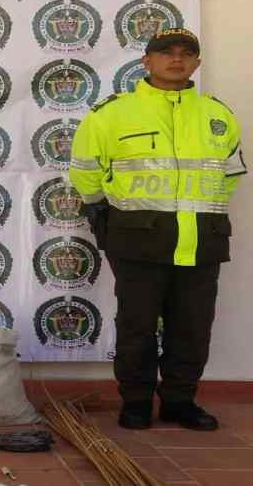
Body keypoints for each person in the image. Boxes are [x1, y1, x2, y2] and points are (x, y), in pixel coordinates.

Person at [69, 28, 245, 431]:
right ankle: (135, 401)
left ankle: (180, 401)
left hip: (202, 237)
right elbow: (84, 171)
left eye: (186, 53)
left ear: (197, 63)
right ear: (146, 61)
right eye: (166, 52)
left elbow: (230, 174)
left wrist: (206, 210)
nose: (177, 59)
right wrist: (101, 207)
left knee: (193, 326)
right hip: (138, 235)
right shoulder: (112, 113)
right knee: (138, 325)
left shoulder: (217, 114)